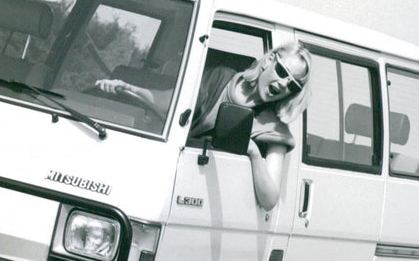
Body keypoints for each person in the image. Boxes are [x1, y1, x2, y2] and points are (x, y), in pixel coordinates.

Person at [96, 42, 312, 212]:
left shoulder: (273, 127)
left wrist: (254, 153)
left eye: (292, 85)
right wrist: (128, 88)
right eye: (282, 72)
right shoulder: (220, 78)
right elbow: (169, 101)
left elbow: (270, 199)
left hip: (204, 195)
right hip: (167, 167)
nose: (283, 84)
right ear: (269, 60)